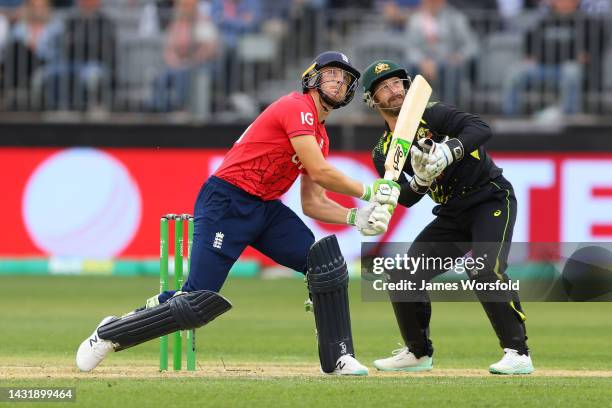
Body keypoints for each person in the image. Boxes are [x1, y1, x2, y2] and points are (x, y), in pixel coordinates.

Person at [76, 51, 401, 376]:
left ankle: (338, 357)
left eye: (345, 79)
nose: (338, 81)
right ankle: (111, 333)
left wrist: (353, 218)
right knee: (197, 301)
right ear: (312, 77)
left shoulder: (321, 135)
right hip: (227, 200)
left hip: (265, 209)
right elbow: (319, 171)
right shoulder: (296, 107)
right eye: (331, 74)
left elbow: (312, 203)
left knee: (325, 264)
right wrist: (369, 191)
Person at [361, 59, 534, 374]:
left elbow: (481, 128)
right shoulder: (383, 151)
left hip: (489, 197)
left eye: (397, 83)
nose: (394, 90)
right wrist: (421, 180)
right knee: (403, 277)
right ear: (372, 100)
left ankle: (518, 353)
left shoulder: (433, 113)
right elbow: (407, 199)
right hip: (452, 213)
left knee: (483, 268)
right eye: (383, 87)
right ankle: (418, 354)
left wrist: (447, 151)